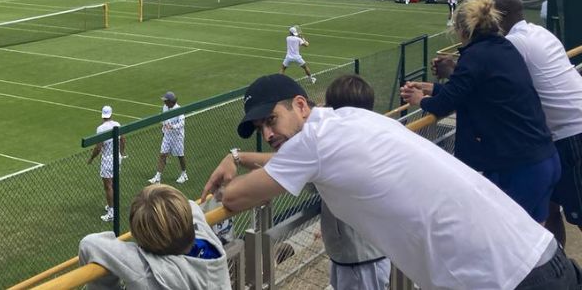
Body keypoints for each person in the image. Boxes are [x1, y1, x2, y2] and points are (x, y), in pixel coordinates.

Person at [201, 74, 580, 289]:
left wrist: (228, 177)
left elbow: (234, 198)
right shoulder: (345, 122)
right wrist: (240, 156)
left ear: (301, 105)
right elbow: (301, 163)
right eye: (260, 128)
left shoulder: (313, 145)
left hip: (502, 279)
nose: (267, 133)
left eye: (271, 120)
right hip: (533, 256)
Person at [434, 0, 582, 246]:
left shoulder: (513, 44)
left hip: (570, 135)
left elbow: (486, 84)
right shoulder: (538, 32)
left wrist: (451, 73)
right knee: (548, 209)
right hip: (556, 136)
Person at [401, 0, 559, 223]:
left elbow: (445, 104)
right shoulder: (503, 47)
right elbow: (474, 92)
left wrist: (420, 99)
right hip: (543, 158)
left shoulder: (476, 55)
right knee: (536, 243)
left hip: (520, 166)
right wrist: (433, 88)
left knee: (507, 244)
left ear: (463, 30)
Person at [79, 184, 230, 289]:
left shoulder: (147, 272)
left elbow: (89, 244)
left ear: (143, 245)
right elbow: (191, 205)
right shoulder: (207, 238)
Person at [320, 75, 390, 289]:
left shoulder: (345, 150)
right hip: (365, 252)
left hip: (359, 257)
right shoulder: (377, 137)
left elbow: (308, 179)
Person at [87, 105, 126, 222]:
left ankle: (111, 212)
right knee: (114, 182)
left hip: (107, 158)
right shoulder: (117, 124)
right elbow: (123, 139)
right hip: (117, 157)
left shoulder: (100, 128)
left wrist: (91, 158)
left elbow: (98, 147)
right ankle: (113, 206)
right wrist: (121, 153)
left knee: (108, 185)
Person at [149, 92, 188, 185]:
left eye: (166, 101)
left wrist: (173, 127)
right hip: (167, 135)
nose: (164, 102)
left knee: (180, 156)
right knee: (162, 154)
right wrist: (164, 126)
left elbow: (182, 123)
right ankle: (158, 177)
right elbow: (164, 118)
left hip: (177, 136)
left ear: (171, 102)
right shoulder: (165, 107)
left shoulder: (179, 109)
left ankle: (184, 174)